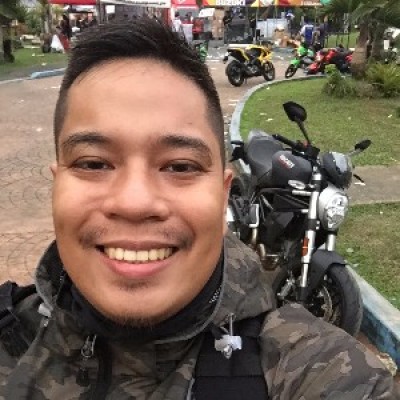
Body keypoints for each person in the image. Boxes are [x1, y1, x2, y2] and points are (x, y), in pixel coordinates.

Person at [0, 18, 398, 399]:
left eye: (180, 167)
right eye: (93, 163)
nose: (135, 203)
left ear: (223, 196)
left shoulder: (312, 366)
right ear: (57, 185)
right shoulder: (11, 337)